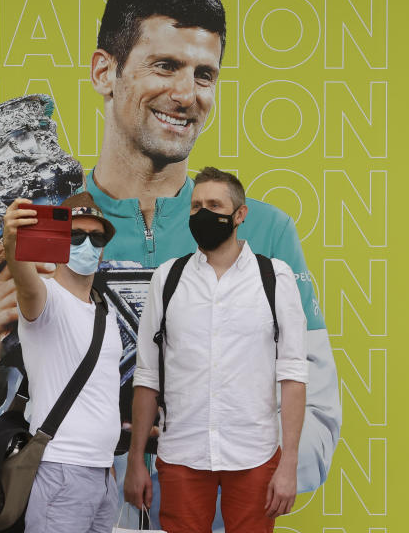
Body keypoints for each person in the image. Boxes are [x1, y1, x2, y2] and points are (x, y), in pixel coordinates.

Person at [0, 0, 341, 528]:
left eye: (204, 74)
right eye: (165, 66)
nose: (187, 95)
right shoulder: (27, 233)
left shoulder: (265, 235)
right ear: (103, 72)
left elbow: (313, 450)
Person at [125, 167, 308, 533]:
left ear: (239, 215)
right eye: (195, 206)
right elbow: (146, 377)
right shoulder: (167, 278)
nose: (202, 214)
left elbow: (293, 376)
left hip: (254, 453)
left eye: (214, 204)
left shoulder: (275, 278)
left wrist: (288, 466)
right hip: (182, 454)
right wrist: (134, 461)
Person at [2, 191, 122, 532]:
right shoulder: (45, 297)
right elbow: (23, 278)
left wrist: (106, 464)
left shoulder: (104, 310)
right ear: (58, 241)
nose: (88, 244)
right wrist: (12, 241)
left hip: (101, 473)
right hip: (60, 471)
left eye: (96, 237)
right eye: (76, 235)